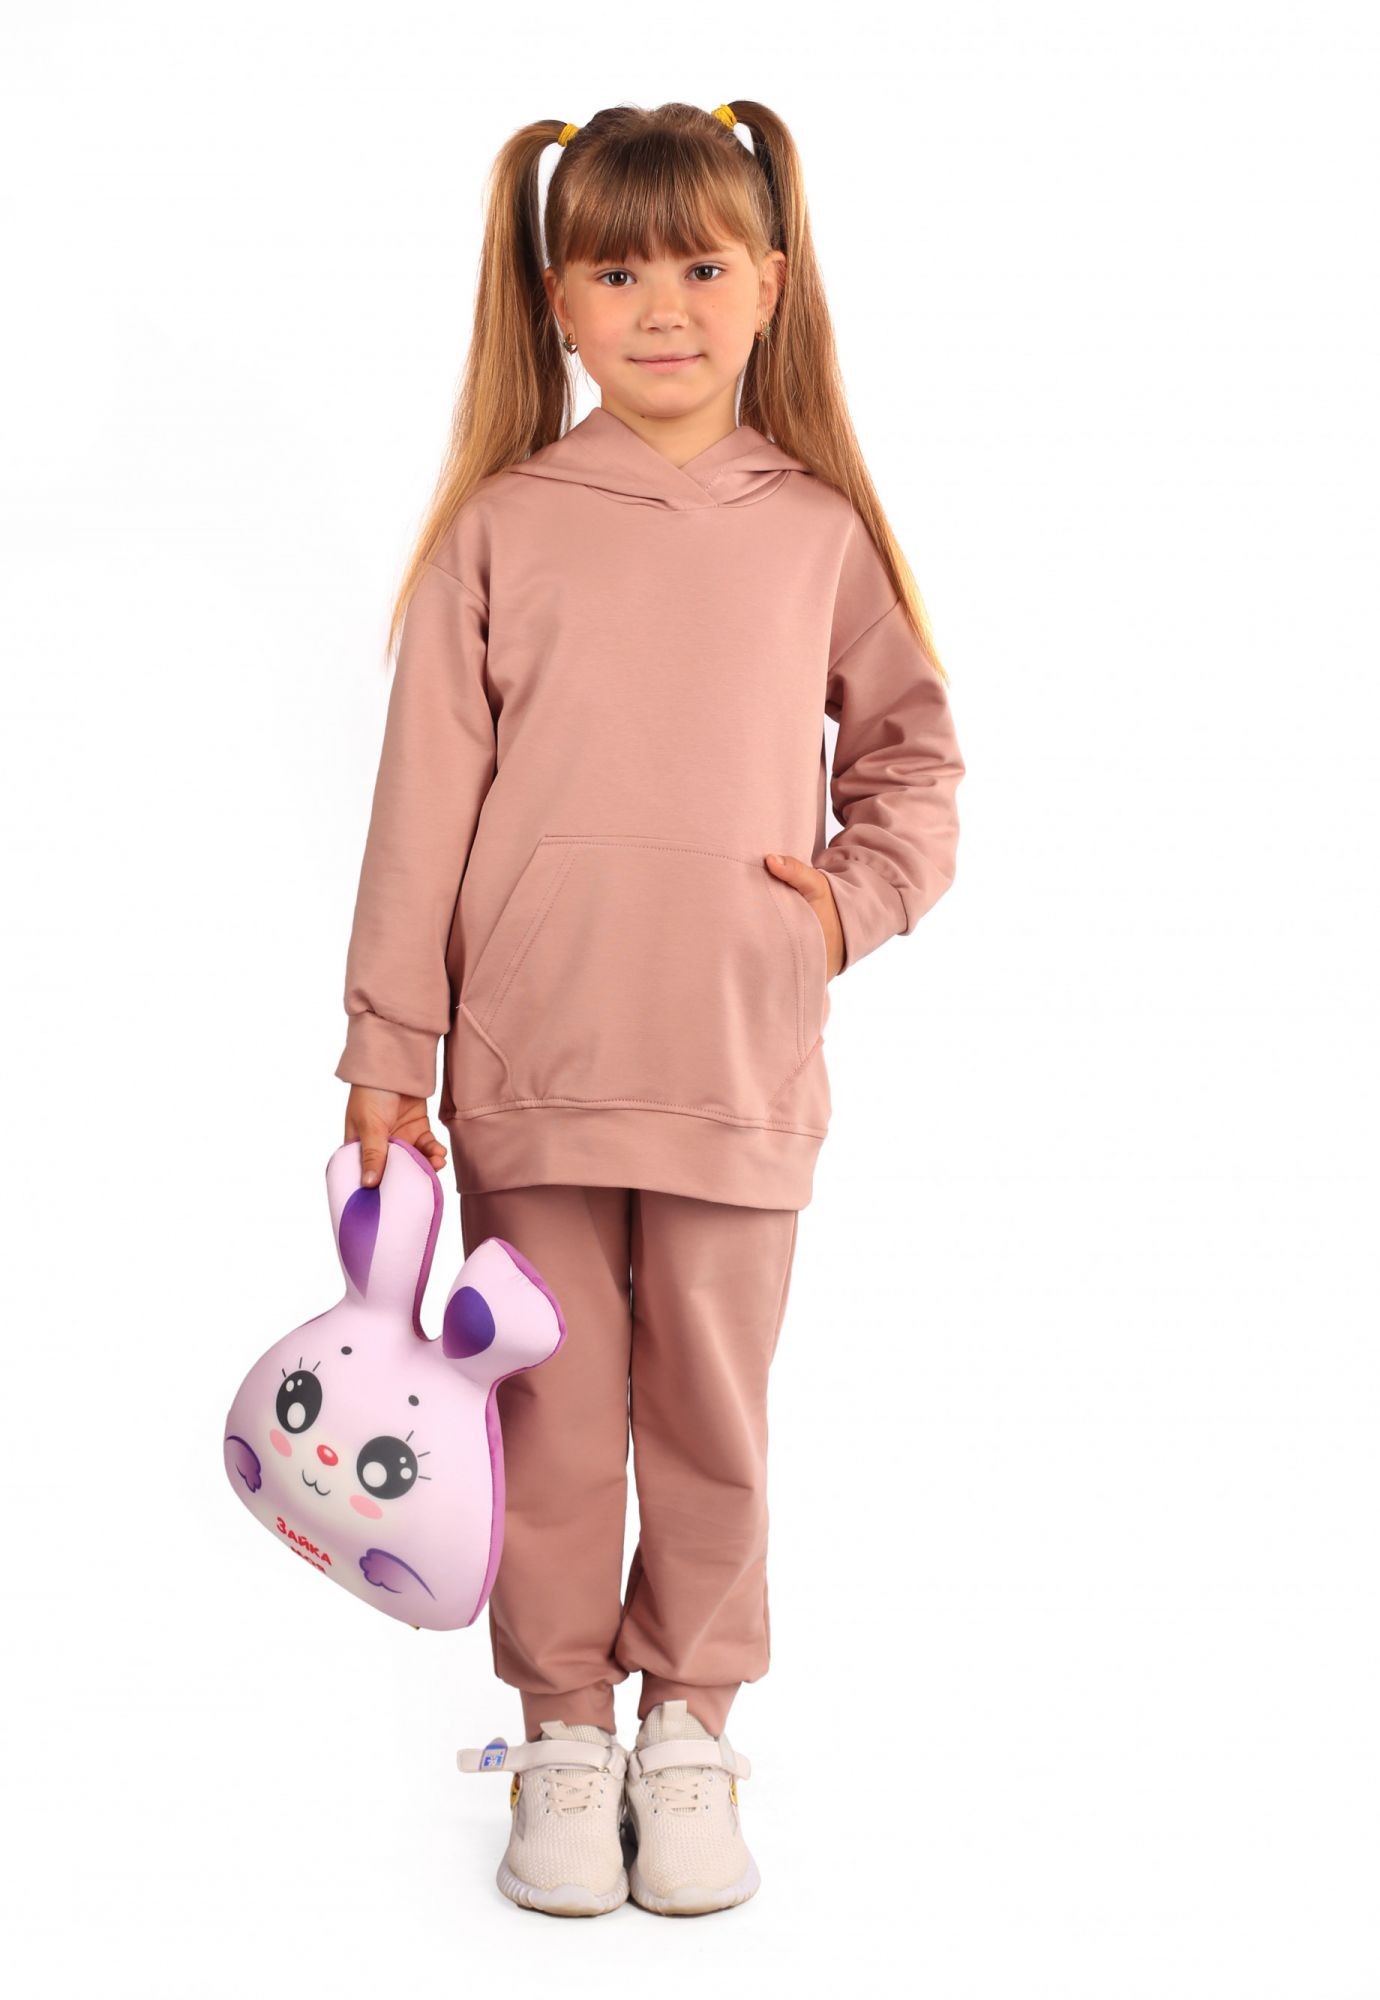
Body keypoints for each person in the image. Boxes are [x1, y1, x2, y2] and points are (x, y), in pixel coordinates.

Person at [335, 99, 966, 1918]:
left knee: (710, 1415)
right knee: (550, 1416)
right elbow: (418, 815)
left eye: (700, 265)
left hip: (737, 1063)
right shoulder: (500, 531)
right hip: (529, 1064)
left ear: (770, 282)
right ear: (558, 301)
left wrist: (840, 913)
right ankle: (559, 1733)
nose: (663, 306)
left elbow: (917, 767)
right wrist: (387, 1049)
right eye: (617, 272)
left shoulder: (817, 533)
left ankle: (688, 1729)